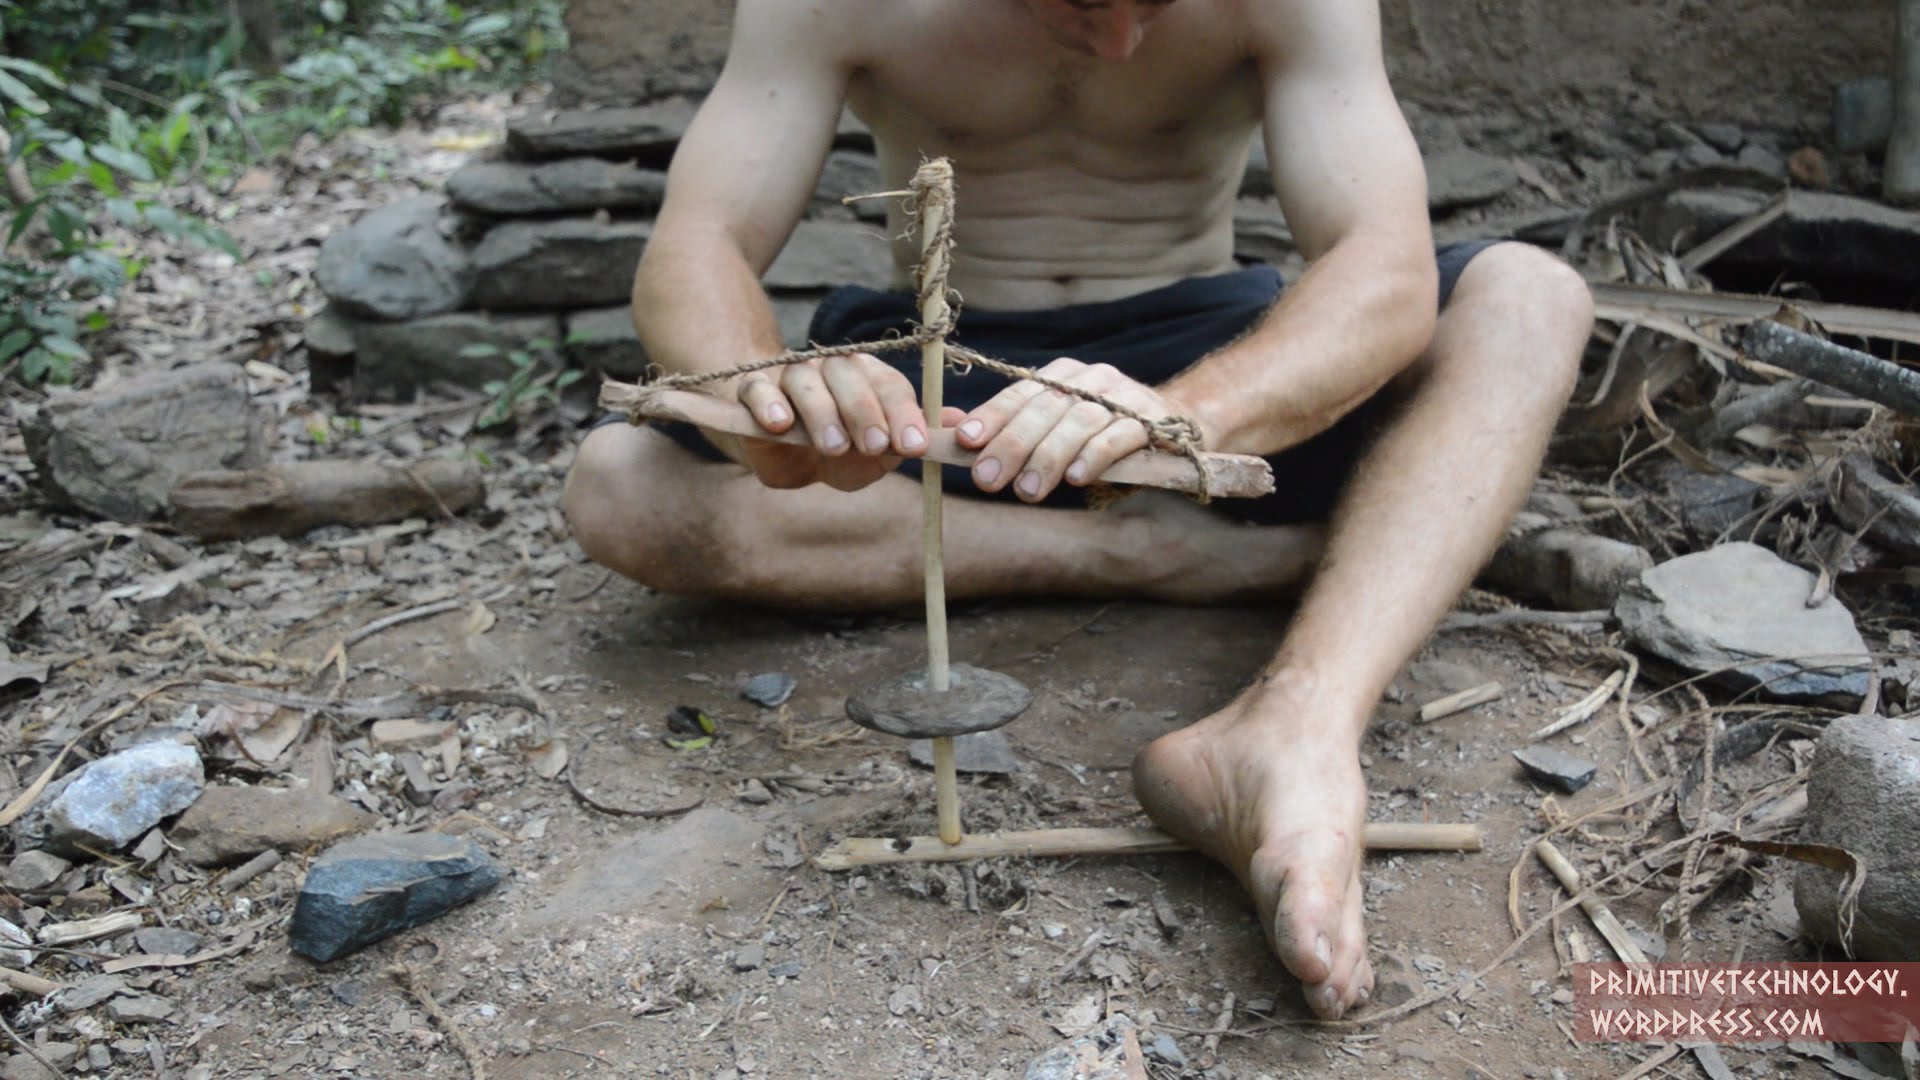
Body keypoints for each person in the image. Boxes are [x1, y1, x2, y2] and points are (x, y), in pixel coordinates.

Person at [563, 0, 1594, 1020]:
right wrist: (769, 399)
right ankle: (1165, 555)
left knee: (1527, 297)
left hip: (1204, 360)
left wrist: (1181, 415)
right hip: (949, 371)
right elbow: (700, 242)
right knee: (618, 488)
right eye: (1077, 0)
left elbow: (1384, 263)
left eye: (1159, 5)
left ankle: (1295, 727)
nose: (1117, 44)